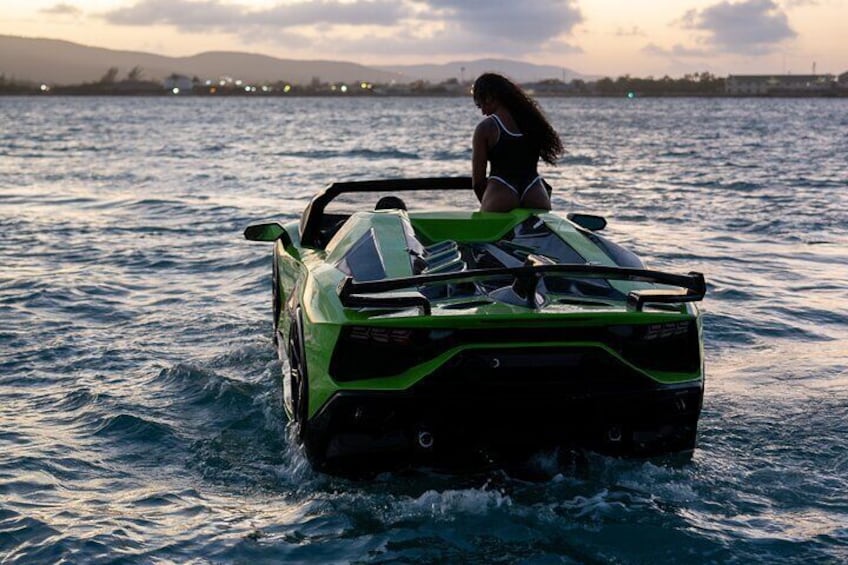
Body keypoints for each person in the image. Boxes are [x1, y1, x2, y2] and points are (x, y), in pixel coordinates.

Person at [471, 73, 563, 212]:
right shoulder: (534, 121)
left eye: (481, 105)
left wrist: (487, 203)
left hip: (501, 193)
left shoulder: (486, 128)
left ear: (490, 97)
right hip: (535, 193)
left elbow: (478, 183)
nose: (483, 112)